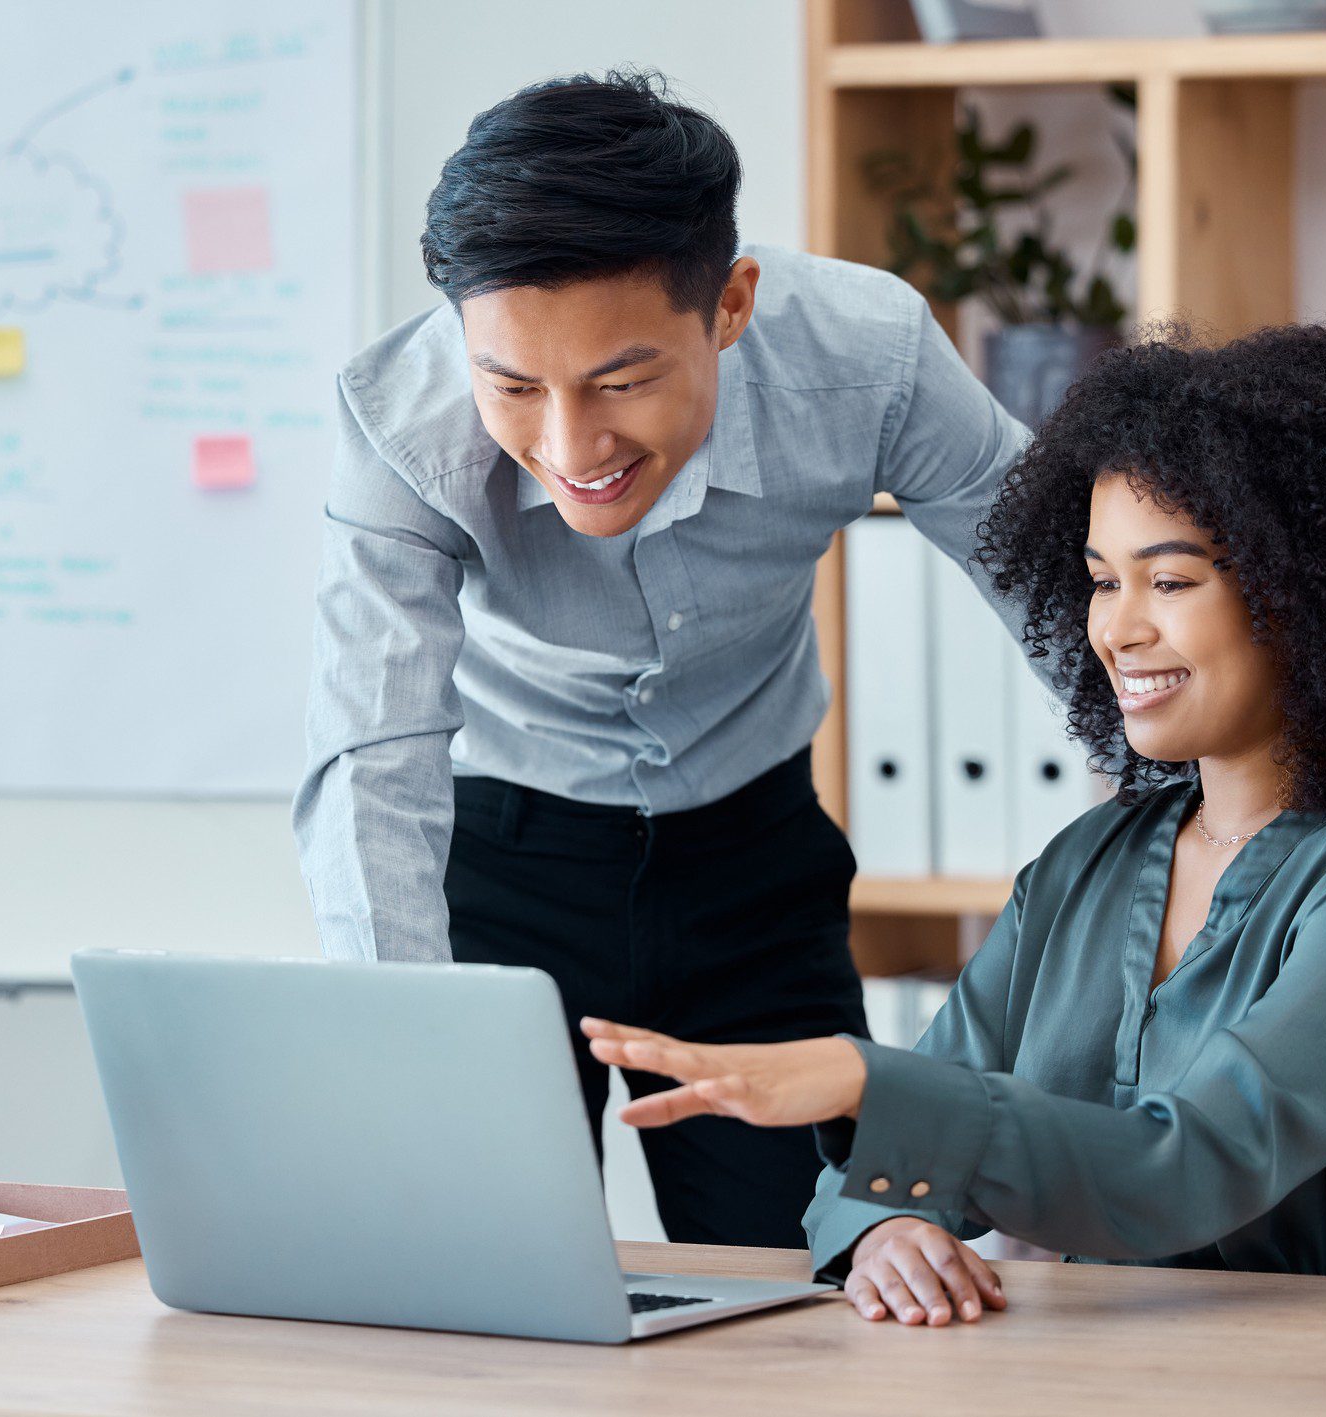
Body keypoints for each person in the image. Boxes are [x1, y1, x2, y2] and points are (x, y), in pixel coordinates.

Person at [583, 322, 1326, 1317]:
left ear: (1321, 598)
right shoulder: (1091, 861)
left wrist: (863, 1082)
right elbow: (868, 1179)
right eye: (1100, 580)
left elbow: (1186, 1169)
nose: (1116, 628)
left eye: (1170, 582)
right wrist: (890, 1228)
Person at [291, 69, 1027, 1248]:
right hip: (499, 874)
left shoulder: (869, 356)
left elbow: (1063, 588)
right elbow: (371, 748)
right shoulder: (398, 423)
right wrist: (402, 1047)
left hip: (751, 867)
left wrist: (1201, 840)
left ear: (729, 304)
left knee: (807, 1281)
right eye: (513, 384)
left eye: (622, 381)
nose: (568, 444)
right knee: (479, 1277)